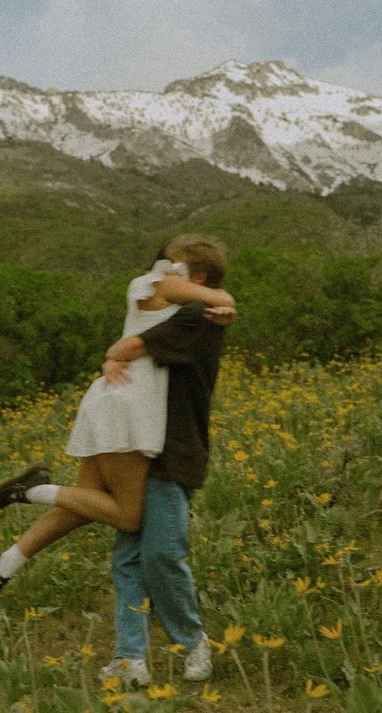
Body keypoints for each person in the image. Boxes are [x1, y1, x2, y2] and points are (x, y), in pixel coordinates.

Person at [0, 235, 234, 623]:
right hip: (127, 411)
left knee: (85, 503)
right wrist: (225, 304)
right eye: (167, 263)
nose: (165, 267)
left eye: (174, 263)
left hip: (113, 401)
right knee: (128, 517)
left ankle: (3, 565)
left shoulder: (175, 302)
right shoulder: (158, 283)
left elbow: (204, 305)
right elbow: (219, 299)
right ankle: (34, 490)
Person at [99, 234, 232, 686]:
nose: (159, 276)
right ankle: (130, 656)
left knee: (162, 553)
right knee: (130, 555)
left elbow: (131, 347)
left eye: (171, 270)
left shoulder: (200, 317)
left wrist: (115, 352)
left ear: (196, 281)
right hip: (139, 442)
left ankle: (193, 641)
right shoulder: (178, 310)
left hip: (174, 448)